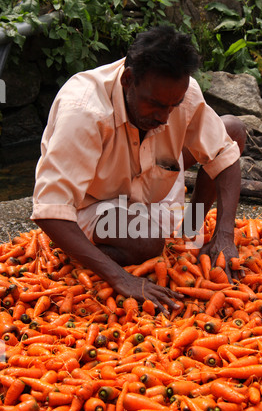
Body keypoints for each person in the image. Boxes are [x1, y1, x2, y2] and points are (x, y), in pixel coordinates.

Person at [31, 25, 246, 314]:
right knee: (147, 242)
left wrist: (224, 235)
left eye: (174, 106)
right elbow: (49, 208)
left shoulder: (178, 94)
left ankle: (191, 227)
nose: (164, 117)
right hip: (95, 202)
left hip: (152, 181)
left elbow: (225, 155)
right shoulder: (83, 110)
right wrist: (121, 278)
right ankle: (83, 249)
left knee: (232, 129)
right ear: (128, 80)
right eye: (155, 105)